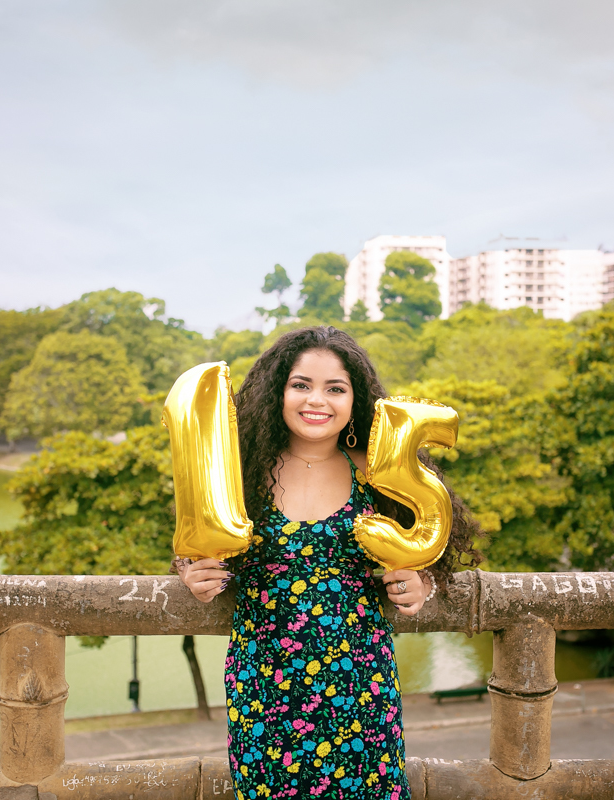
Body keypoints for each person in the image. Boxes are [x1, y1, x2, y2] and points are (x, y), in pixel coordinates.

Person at [178, 326, 482, 800]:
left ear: (355, 400)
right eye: (301, 385)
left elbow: (426, 553)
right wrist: (192, 574)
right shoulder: (242, 475)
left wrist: (422, 584)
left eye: (334, 388)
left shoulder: (378, 472)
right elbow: (197, 549)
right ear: (278, 392)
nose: (315, 400)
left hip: (360, 686)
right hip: (264, 687)